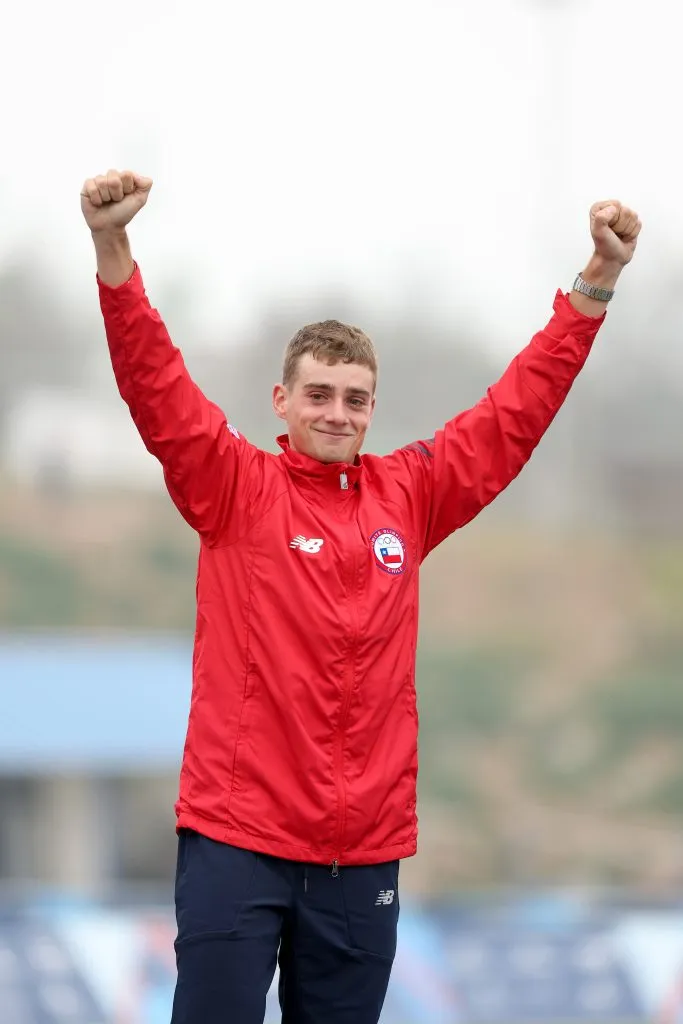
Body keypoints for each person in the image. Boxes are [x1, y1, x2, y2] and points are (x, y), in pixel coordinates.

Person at [80, 169, 641, 1024]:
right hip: (239, 841)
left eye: (354, 399)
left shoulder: (408, 496)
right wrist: (112, 247)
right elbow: (155, 388)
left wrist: (593, 280)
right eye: (318, 395)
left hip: (361, 856)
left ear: (372, 407)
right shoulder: (234, 487)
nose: (336, 413)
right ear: (283, 401)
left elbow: (511, 418)